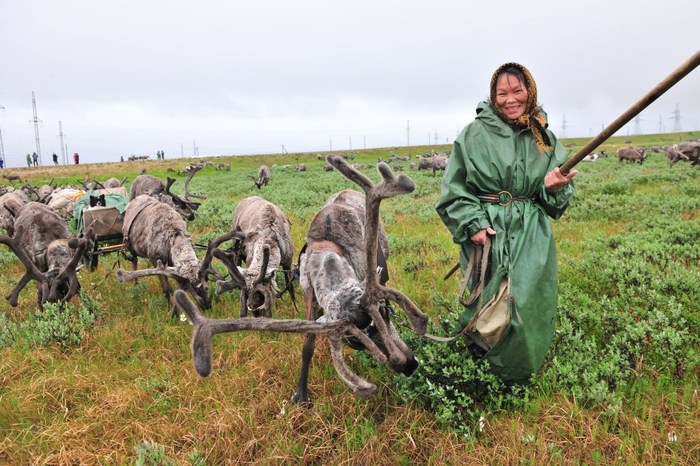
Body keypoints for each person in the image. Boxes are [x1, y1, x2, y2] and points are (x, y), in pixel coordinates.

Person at [435, 62, 577, 384]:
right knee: (488, 303)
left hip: (531, 233)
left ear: (530, 91)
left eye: (517, 91)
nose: (510, 99)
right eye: (502, 93)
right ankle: (482, 369)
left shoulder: (544, 137)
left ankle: (518, 375)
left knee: (526, 303)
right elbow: (454, 189)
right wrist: (472, 223)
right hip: (488, 231)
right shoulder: (473, 135)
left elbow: (553, 202)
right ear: (492, 95)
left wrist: (553, 186)